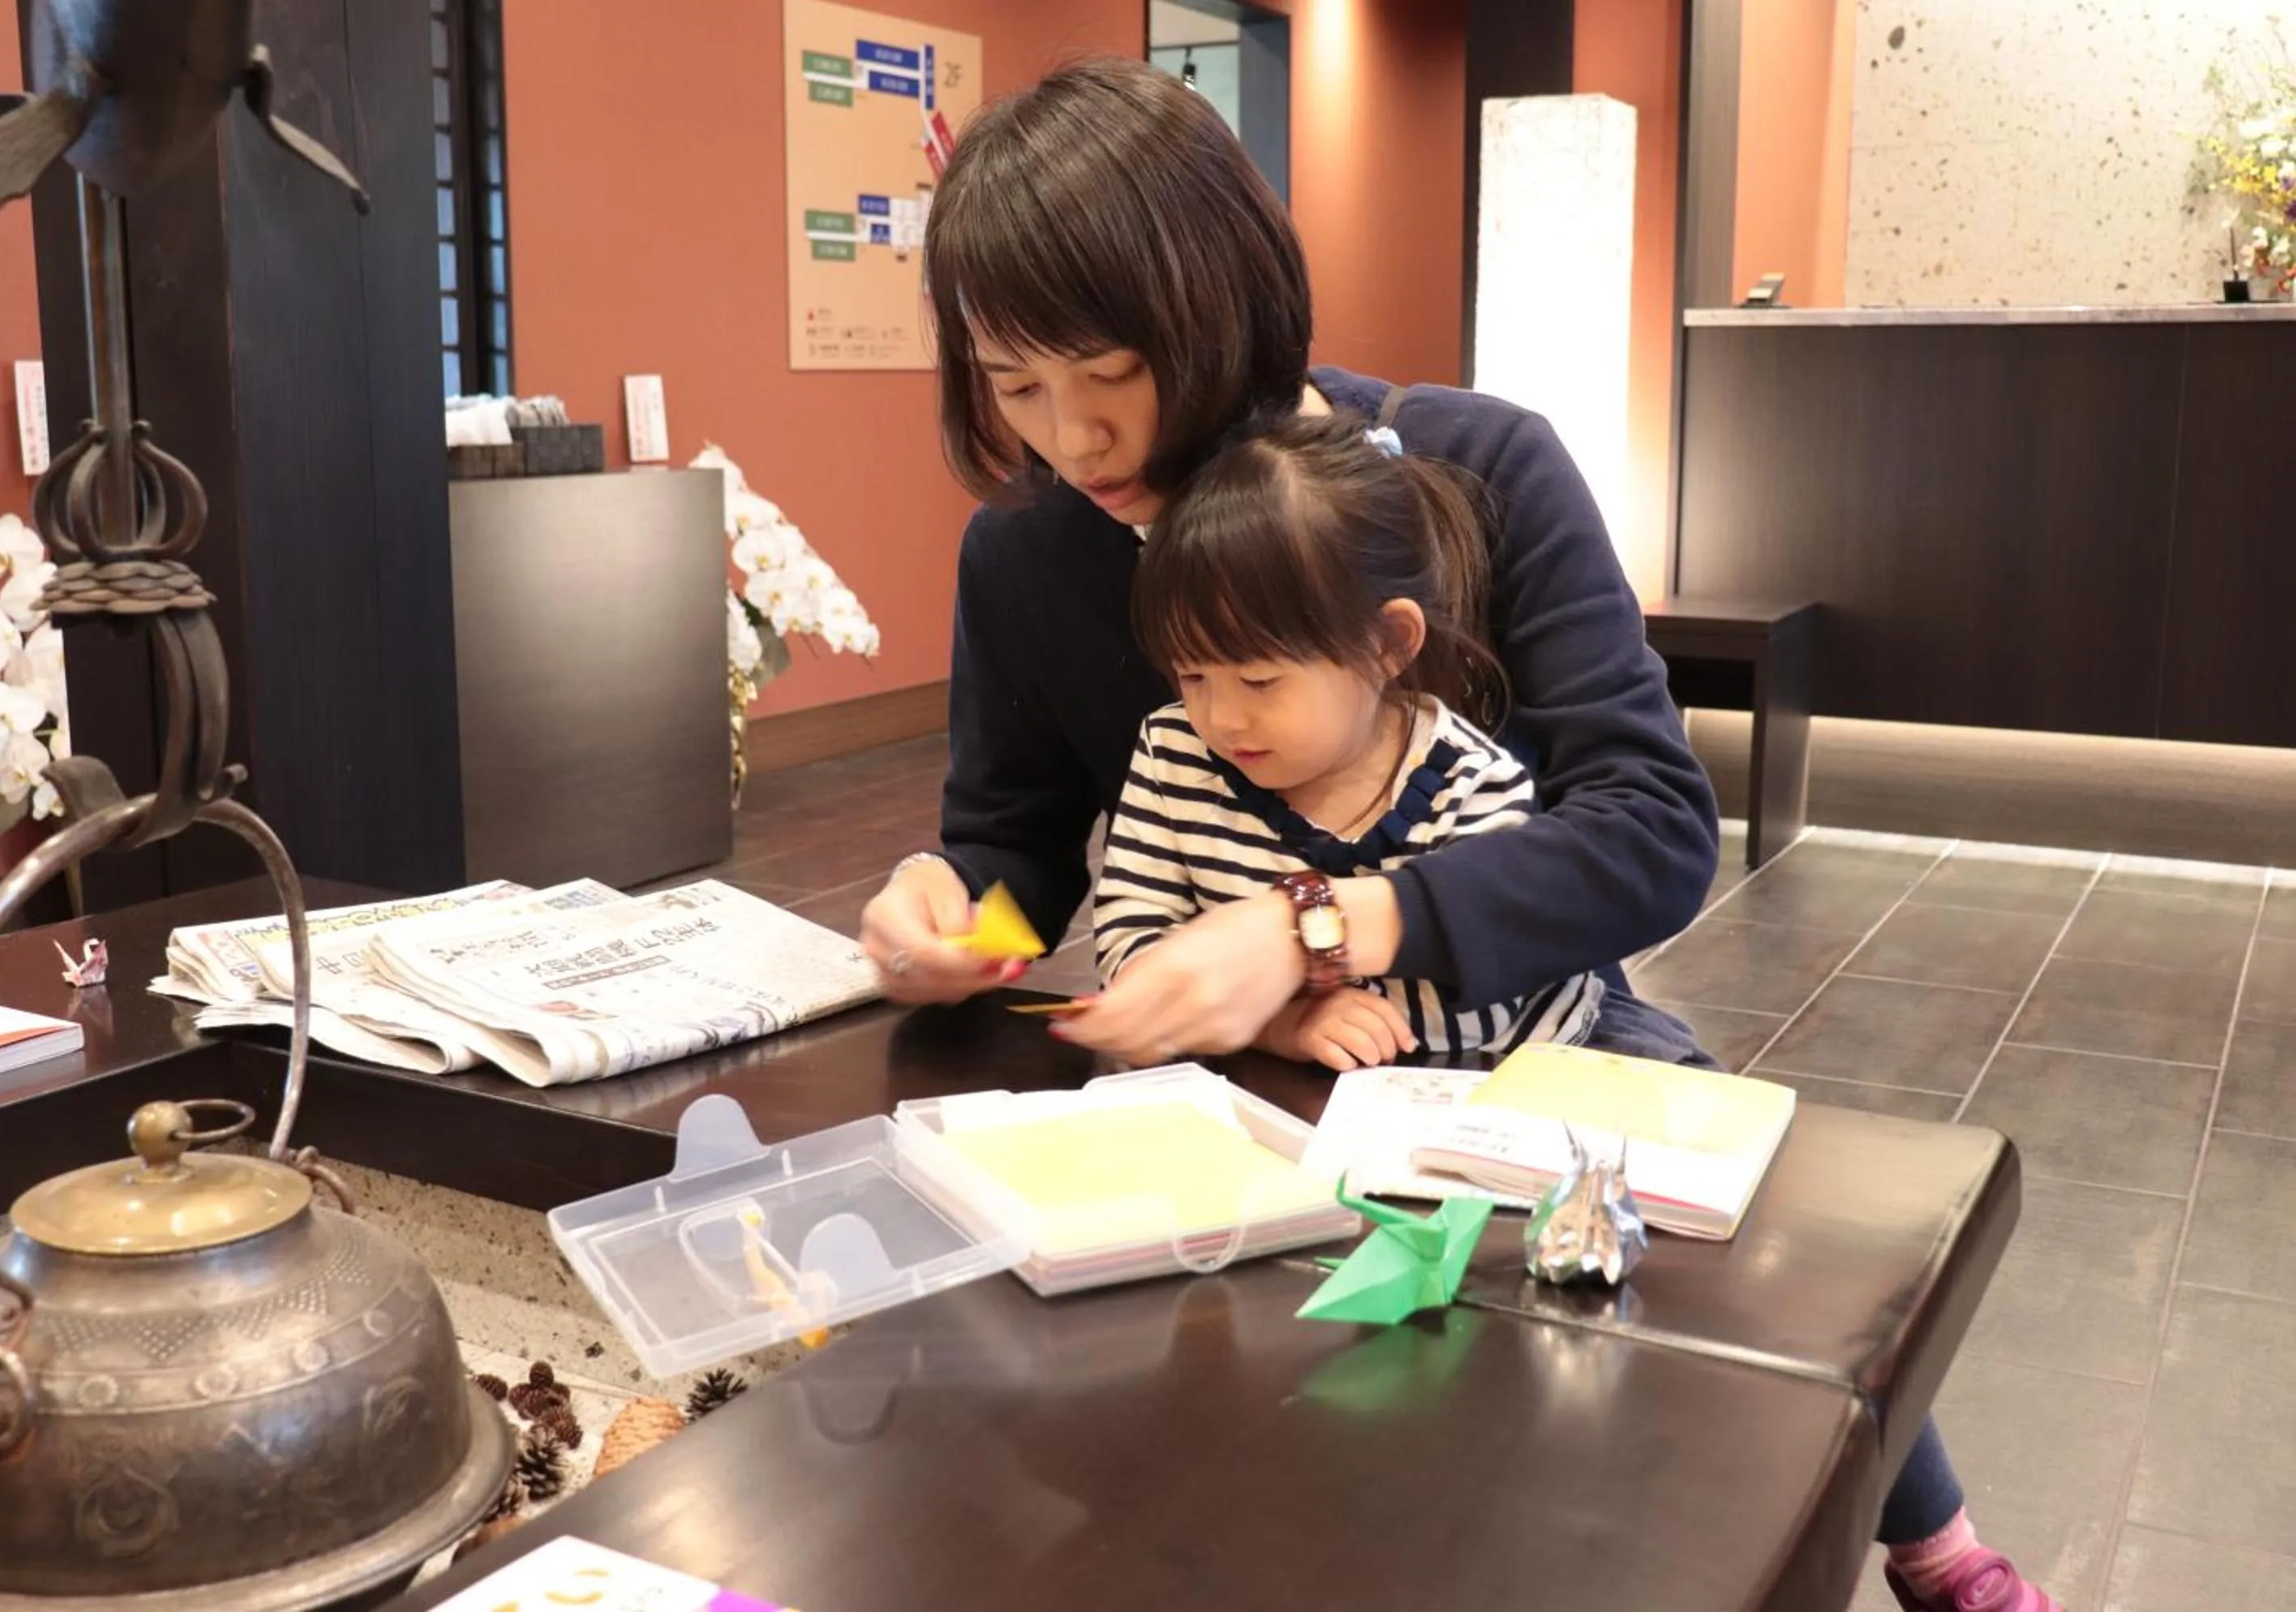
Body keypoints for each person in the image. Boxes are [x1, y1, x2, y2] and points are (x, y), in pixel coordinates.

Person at [856, 56, 2057, 1612]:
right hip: (1236, 1080)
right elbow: (1016, 841)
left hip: (1522, 1034)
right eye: (1015, 388)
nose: (1076, 441)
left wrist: (1311, 925)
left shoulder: (1474, 469)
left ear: (1224, 302)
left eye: (1107, 374)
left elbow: (1648, 831)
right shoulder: (1029, 552)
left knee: (1752, 1286)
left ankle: (1935, 1548)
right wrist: (952, 908)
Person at [1088, 411, 1605, 1070]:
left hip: (1494, 1076)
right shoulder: (1174, 751)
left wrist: (1286, 980)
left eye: (1260, 680)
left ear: (1388, 644)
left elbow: (1470, 1012)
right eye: (1191, 674)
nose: (1221, 718)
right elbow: (1131, 929)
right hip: (1294, 1080)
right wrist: (1283, 1024)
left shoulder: (1469, 784)